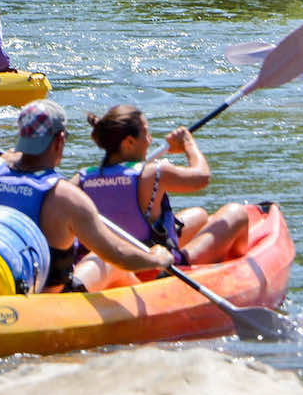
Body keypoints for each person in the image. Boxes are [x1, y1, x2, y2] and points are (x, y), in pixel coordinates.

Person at [0, 100, 172, 293]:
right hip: (46, 298)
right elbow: (119, 255)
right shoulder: (65, 197)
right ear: (59, 140)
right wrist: (156, 258)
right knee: (101, 260)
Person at [72, 105, 250, 289]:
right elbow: (202, 177)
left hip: (108, 260)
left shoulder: (81, 180)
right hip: (153, 267)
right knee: (237, 213)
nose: (150, 140)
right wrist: (188, 144)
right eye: (146, 133)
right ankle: (238, 265)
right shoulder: (154, 173)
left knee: (199, 215)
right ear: (129, 143)